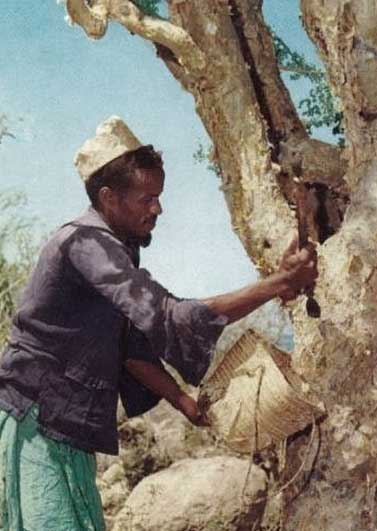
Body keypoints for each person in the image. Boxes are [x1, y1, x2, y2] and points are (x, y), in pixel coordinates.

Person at [0, 116, 317, 531]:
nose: (158, 208)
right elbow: (165, 316)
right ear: (109, 197)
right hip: (38, 419)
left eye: (159, 197)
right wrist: (279, 284)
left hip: (63, 425)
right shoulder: (85, 244)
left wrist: (184, 402)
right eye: (147, 198)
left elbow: (131, 351)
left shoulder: (114, 253)